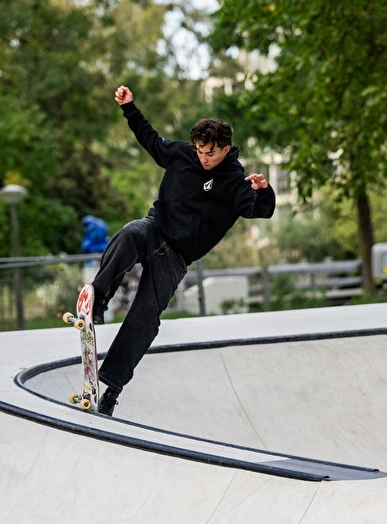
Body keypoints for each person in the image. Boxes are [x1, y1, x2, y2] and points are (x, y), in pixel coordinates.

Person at [90, 85, 275, 416]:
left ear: (226, 149)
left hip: (176, 257)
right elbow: (151, 140)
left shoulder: (234, 182)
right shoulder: (181, 154)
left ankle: (112, 390)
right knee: (131, 232)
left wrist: (263, 191)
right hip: (154, 229)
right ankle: (98, 301)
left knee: (146, 317)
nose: (204, 160)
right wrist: (130, 109)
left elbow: (257, 209)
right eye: (200, 152)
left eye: (211, 154)